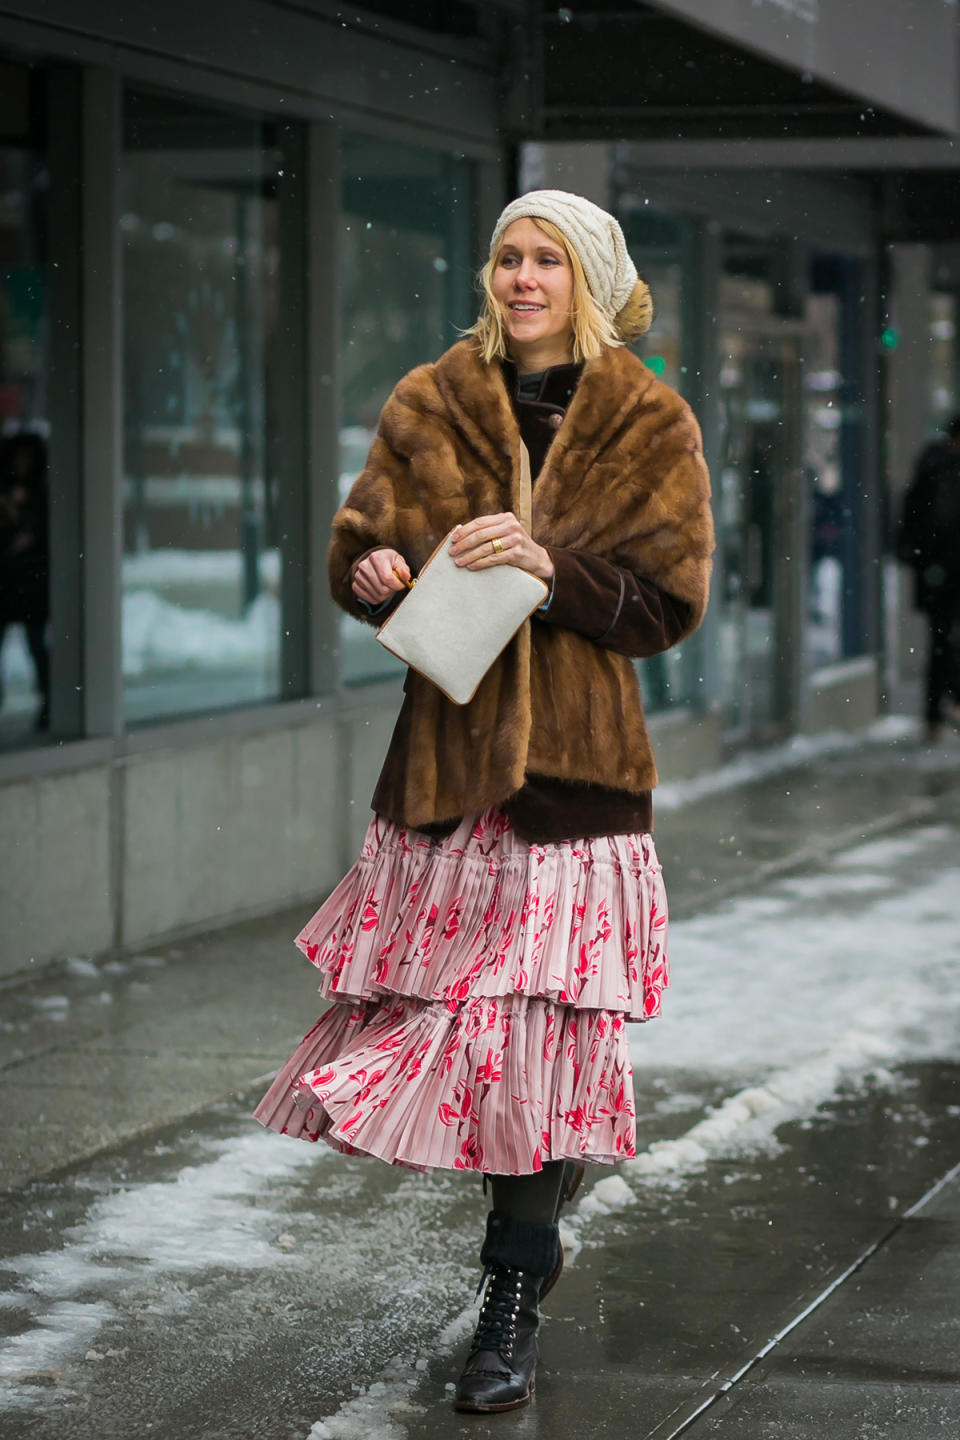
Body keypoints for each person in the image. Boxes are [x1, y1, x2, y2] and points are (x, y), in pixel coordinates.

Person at [255, 190, 714, 1413]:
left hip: (579, 782)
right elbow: (370, 540)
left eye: (547, 260)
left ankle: (511, 1296)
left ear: (591, 280)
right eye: (508, 256)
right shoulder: (432, 397)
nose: (521, 278)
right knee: (471, 1038)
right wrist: (373, 570)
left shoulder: (648, 419)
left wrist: (554, 572)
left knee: (541, 1044)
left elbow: (670, 603)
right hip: (450, 774)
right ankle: (532, 1228)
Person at [897, 417, 960, 741]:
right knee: (944, 641)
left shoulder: (934, 466)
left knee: (942, 641)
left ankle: (937, 711)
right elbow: (933, 523)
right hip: (943, 572)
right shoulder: (941, 469)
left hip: (938, 572)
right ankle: (941, 708)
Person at [0, 432, 50, 731]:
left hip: (31, 583)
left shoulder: (41, 494)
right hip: (6, 582)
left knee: (36, 646)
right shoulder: (6, 491)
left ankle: (48, 702)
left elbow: (43, 533)